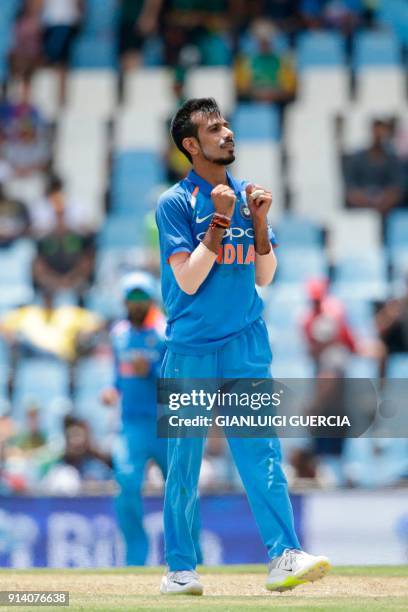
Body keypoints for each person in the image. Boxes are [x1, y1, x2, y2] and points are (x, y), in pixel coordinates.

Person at [155, 98, 330, 595]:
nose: (227, 133)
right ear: (191, 145)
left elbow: (266, 275)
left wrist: (255, 221)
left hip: (246, 342)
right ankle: (181, 570)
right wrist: (217, 221)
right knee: (184, 463)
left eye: (227, 124)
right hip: (190, 347)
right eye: (214, 128)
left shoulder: (246, 194)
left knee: (261, 454)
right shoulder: (175, 203)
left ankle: (284, 555)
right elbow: (187, 282)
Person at [101, 271, 201, 565]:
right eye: (131, 298)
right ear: (124, 301)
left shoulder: (163, 331)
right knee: (127, 483)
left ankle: (193, 556)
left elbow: (178, 379)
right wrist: (111, 390)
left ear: (150, 299)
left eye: (141, 297)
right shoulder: (119, 333)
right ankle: (135, 559)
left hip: (165, 421)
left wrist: (153, 370)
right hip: (132, 423)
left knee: (182, 489)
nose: (136, 303)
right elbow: (119, 376)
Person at [344, 119, 404, 216]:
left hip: (388, 212)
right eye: (376, 133)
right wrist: (366, 203)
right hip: (360, 214)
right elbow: (350, 188)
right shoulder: (357, 159)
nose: (378, 137)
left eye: (381, 133)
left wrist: (384, 203)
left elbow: (398, 187)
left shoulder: (393, 160)